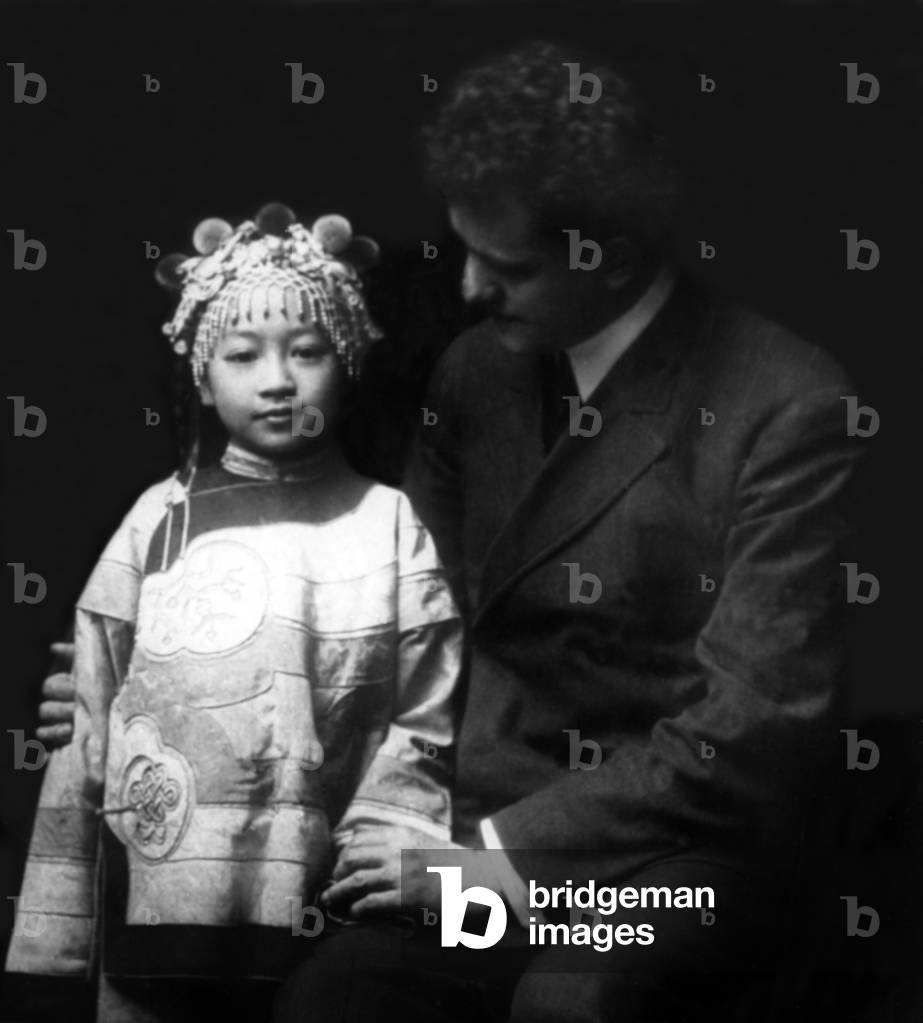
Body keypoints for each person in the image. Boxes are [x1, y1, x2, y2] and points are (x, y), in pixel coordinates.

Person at [31, 42, 868, 1023]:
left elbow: (751, 731)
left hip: (670, 865)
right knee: (330, 1001)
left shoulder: (788, 405)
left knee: (570, 1005)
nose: (467, 286)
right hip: (458, 834)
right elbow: (398, 625)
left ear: (615, 255)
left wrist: (498, 857)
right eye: (462, 247)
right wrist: (151, 688)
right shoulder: (478, 370)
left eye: (505, 264)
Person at [5, 203, 462, 1022]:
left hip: (315, 902)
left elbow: (421, 712)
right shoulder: (156, 519)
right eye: (243, 353)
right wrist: (58, 929)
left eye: (309, 351)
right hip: (153, 899)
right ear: (201, 376)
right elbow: (90, 720)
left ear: (350, 358)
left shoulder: (388, 523)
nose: (278, 378)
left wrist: (380, 855)